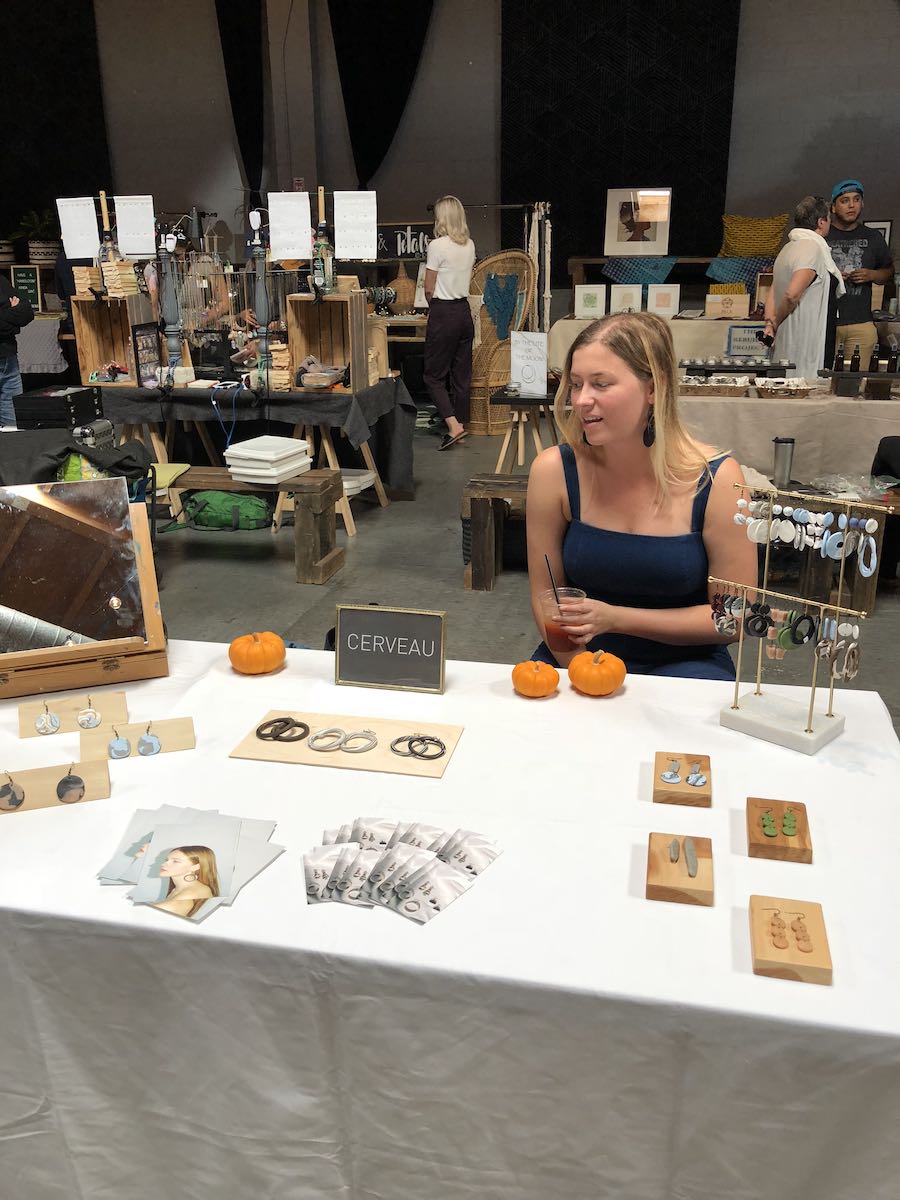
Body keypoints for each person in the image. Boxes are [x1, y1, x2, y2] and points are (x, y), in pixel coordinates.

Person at [526, 312, 757, 679]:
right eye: (575, 384)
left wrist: (616, 619)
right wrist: (584, 670)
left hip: (686, 665)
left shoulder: (718, 480)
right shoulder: (553, 472)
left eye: (601, 384)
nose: (582, 400)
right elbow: (547, 597)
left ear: (654, 388)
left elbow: (734, 617)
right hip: (578, 656)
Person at [764, 196, 845, 380]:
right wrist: (775, 322)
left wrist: (770, 323)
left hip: (790, 336)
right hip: (805, 337)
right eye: (829, 219)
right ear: (821, 222)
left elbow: (772, 293)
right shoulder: (811, 248)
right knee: (802, 385)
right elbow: (792, 294)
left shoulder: (787, 249)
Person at [423, 195, 476, 450]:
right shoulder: (470, 245)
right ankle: (462, 422)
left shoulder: (437, 246)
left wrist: (432, 310)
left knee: (433, 376)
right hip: (464, 312)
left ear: (442, 218)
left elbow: (428, 287)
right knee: (461, 374)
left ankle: (453, 426)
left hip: (444, 312)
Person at [826, 179, 893, 366]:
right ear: (833, 207)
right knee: (819, 381)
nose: (851, 205)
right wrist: (832, 274)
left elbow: (888, 271)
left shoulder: (873, 237)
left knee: (856, 385)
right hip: (825, 322)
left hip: (861, 323)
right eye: (845, 200)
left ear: (862, 204)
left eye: (856, 200)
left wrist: (870, 275)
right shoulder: (823, 236)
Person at [0, 274, 35, 427]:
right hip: (8, 356)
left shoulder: (1, 280)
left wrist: (8, 320)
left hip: (9, 360)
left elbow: (27, 312)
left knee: (14, 428)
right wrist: (13, 322)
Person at [153, 845, 220, 918]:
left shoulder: (190, 894)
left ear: (195, 867)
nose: (163, 864)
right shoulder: (177, 889)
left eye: (175, 861)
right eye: (167, 860)